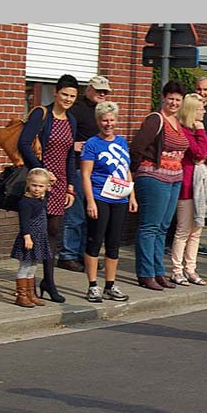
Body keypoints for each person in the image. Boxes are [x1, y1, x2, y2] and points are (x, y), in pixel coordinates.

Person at [19, 73, 79, 303]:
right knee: (35, 232)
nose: (68, 99)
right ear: (55, 92)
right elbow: (23, 143)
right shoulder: (41, 114)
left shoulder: (71, 120)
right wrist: (41, 171)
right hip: (39, 183)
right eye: (64, 94)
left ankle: (49, 281)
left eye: (72, 96)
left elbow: (70, 155)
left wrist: (70, 186)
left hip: (61, 182)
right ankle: (27, 286)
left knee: (53, 232)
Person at [129, 80, 189, 291]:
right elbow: (136, 147)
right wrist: (139, 172)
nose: (173, 102)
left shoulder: (176, 121)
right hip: (154, 177)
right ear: (163, 98)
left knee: (163, 227)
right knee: (150, 226)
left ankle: (158, 271)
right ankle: (145, 274)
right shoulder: (156, 119)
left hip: (174, 179)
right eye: (170, 98)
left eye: (178, 99)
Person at [79, 100, 135, 303]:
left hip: (119, 197)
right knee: (95, 240)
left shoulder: (121, 141)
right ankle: (93, 285)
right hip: (100, 195)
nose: (108, 124)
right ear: (98, 121)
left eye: (111, 120)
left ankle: (110, 284)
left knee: (114, 243)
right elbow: (86, 175)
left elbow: (125, 168)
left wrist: (132, 195)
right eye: (104, 120)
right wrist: (90, 201)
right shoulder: (92, 144)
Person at [58, 75, 112, 274]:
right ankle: (67, 255)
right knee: (77, 215)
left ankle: (83, 254)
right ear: (88, 90)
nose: (102, 94)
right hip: (78, 168)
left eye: (105, 92)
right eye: (99, 90)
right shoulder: (76, 109)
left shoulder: (103, 111)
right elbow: (60, 135)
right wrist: (73, 145)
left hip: (98, 172)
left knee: (92, 216)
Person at [169, 92, 207, 287]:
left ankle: (191, 269)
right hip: (186, 184)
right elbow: (200, 152)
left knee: (196, 231)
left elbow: (202, 154)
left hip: (198, 187)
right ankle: (176, 270)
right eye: (201, 108)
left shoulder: (194, 130)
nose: (204, 111)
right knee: (184, 230)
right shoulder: (185, 131)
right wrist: (201, 131)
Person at [10, 168, 51, 307]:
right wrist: (27, 237)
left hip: (39, 237)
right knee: (25, 265)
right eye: (34, 185)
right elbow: (24, 222)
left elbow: (49, 193)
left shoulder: (41, 199)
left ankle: (30, 293)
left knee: (33, 265)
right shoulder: (25, 202)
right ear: (28, 183)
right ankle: (21, 295)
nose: (37, 189)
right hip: (29, 237)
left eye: (41, 186)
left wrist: (51, 181)